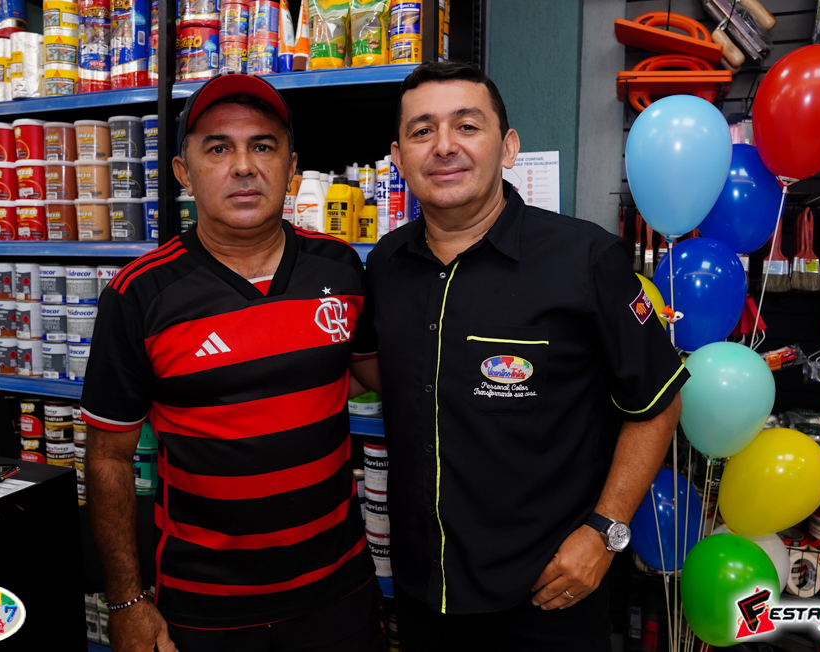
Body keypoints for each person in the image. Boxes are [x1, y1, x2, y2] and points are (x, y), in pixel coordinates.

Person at [359, 61, 688, 649]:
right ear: (399, 157)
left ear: (508, 147)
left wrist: (604, 531)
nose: (444, 146)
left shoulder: (586, 259)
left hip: (548, 594)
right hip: (423, 592)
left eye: (467, 126)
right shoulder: (385, 264)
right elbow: (393, 374)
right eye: (422, 131)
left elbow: (658, 403)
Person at [82, 74, 381, 652]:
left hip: (340, 590)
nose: (243, 166)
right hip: (206, 607)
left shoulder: (341, 267)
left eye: (263, 146)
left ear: (292, 168)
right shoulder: (139, 294)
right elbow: (109, 457)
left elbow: (390, 378)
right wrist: (126, 602)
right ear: (183, 171)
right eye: (218, 148)